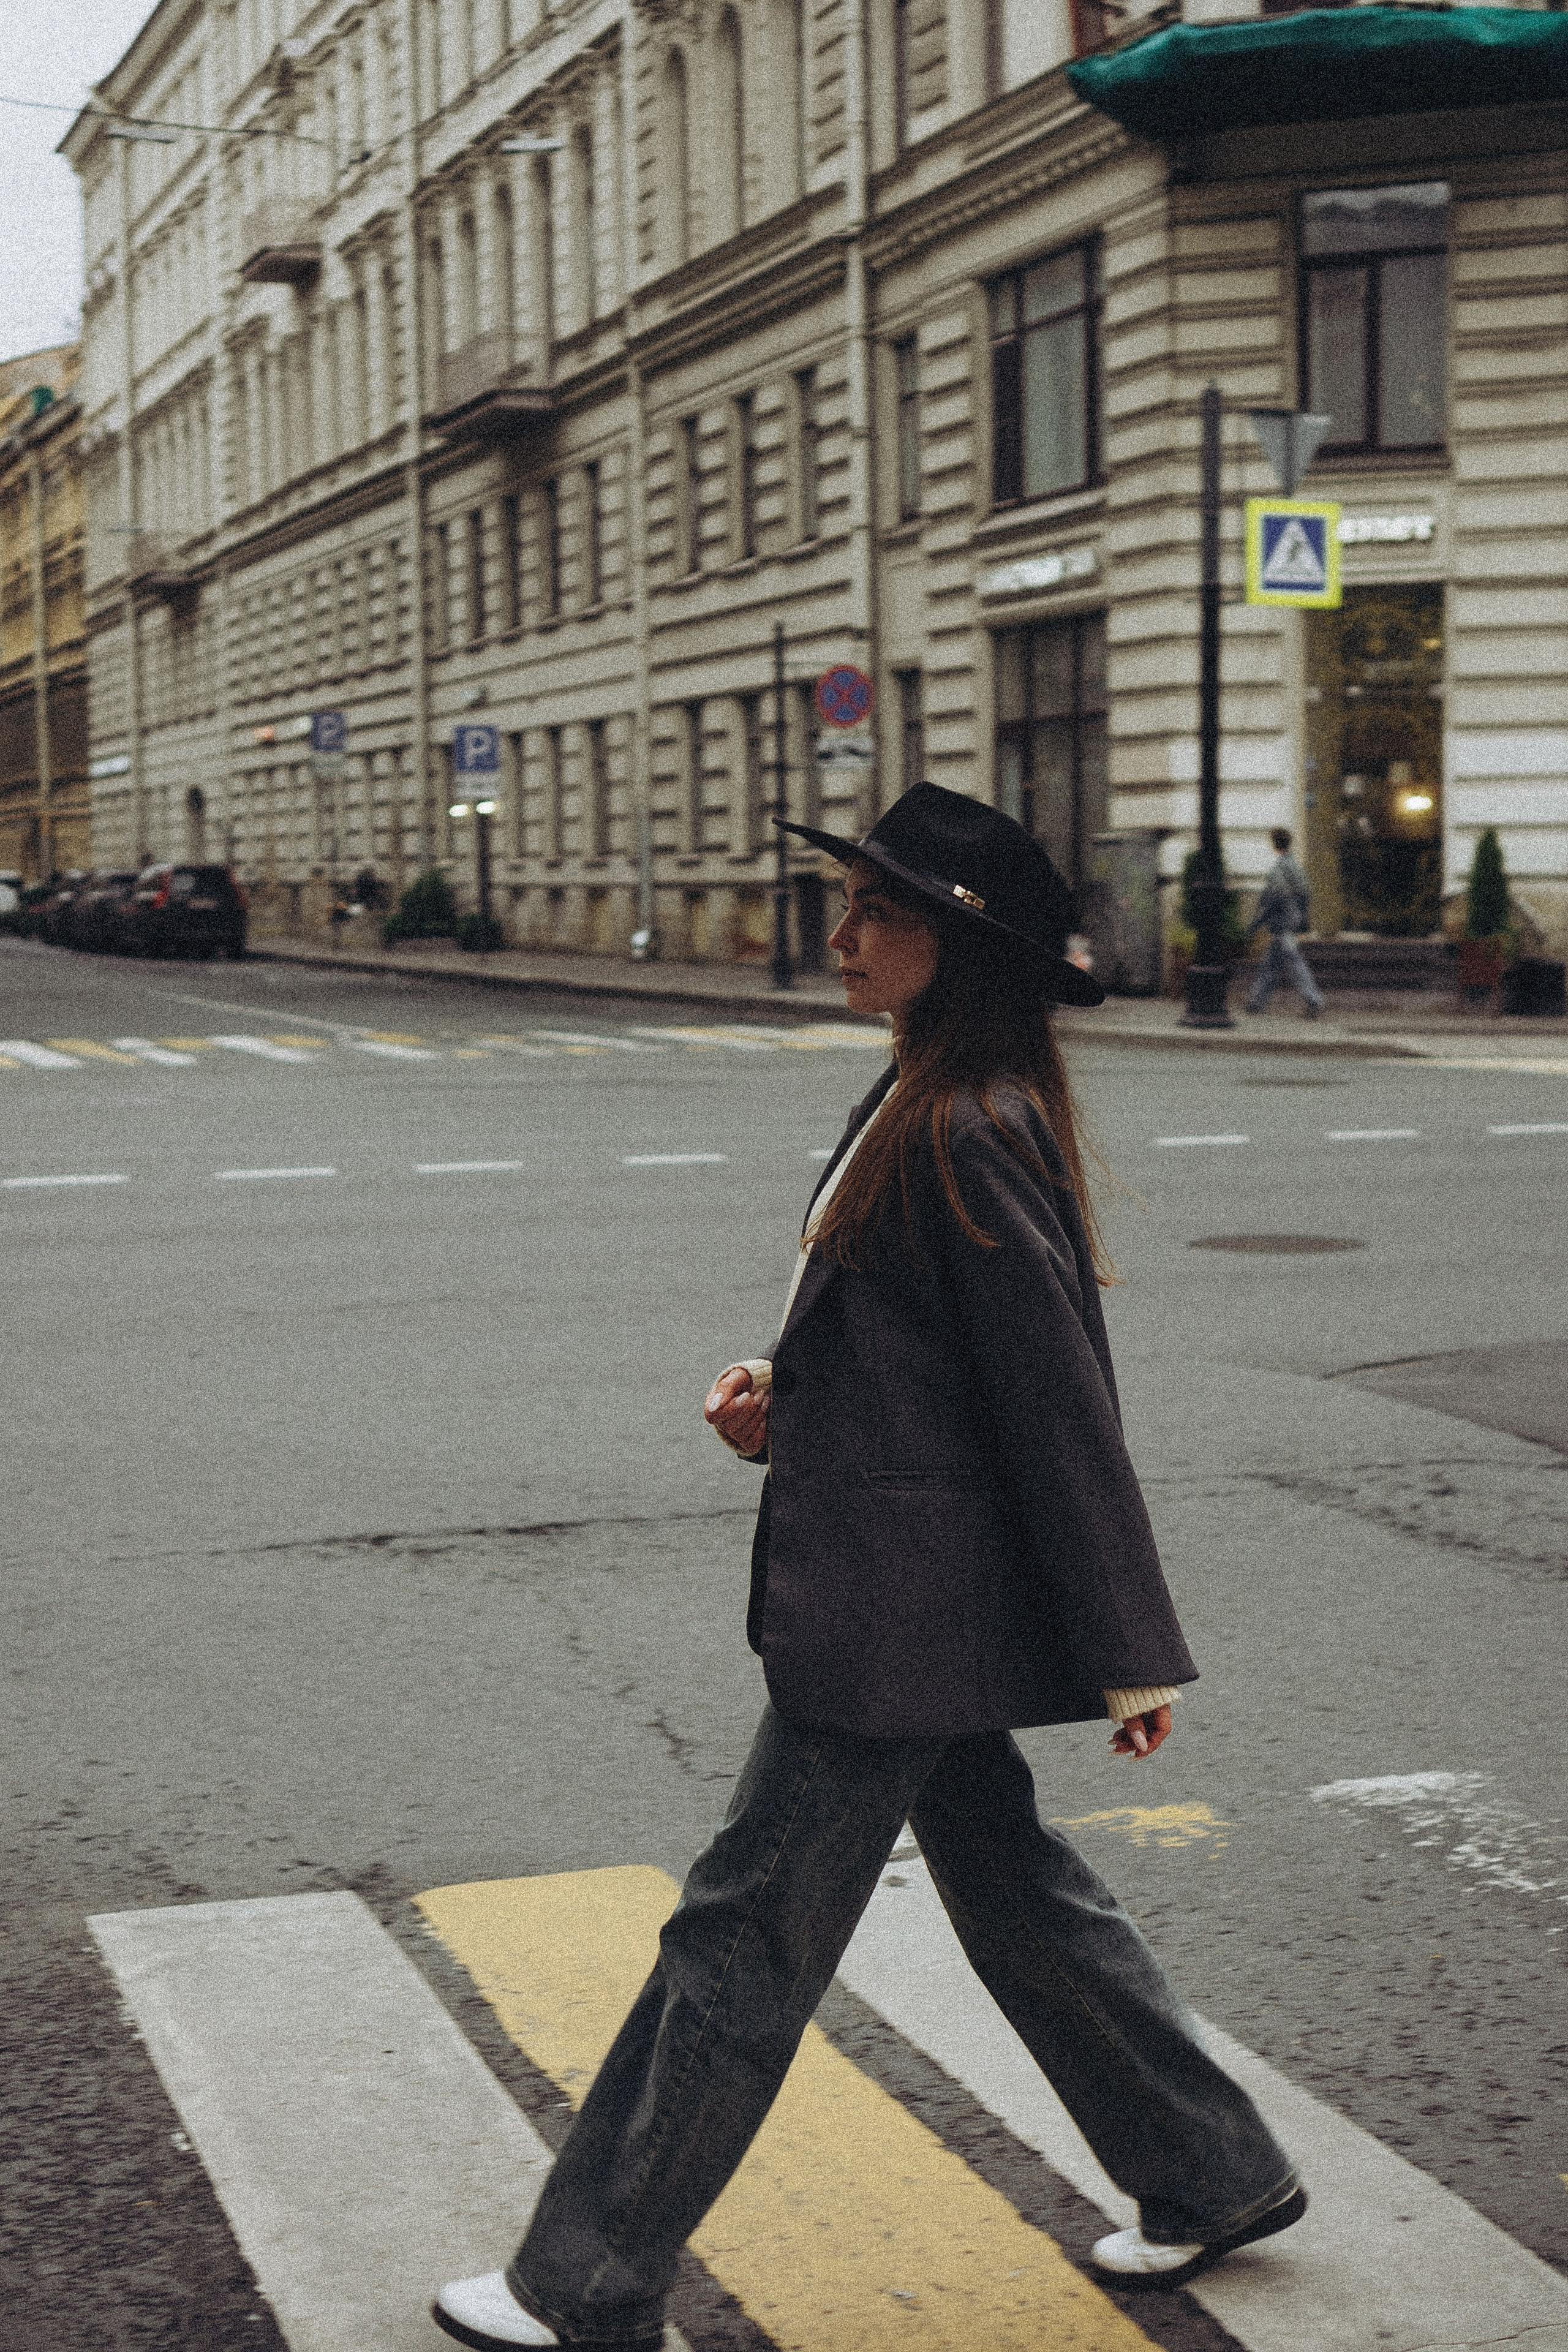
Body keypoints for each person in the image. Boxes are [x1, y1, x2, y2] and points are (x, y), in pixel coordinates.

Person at [434, 785, 1305, 2352]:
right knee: (1015, 1888)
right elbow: (926, 1360)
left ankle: (585, 2279)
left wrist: (1127, 1646)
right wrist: (791, 1390)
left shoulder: (967, 1127)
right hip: (917, 1593)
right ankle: (1208, 2169)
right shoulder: (912, 1093)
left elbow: (1055, 1402)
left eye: (875, 913)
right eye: (844, 904)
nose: (836, 935)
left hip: (898, 1615)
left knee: (740, 1929)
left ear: (957, 951)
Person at [1245, 827, 1325, 1018]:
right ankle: (1255, 1002)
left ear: (1274, 844)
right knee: (1270, 964)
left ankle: (1314, 1000)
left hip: (1282, 925)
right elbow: (1306, 894)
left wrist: (1255, 924)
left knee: (1294, 964)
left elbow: (1271, 898)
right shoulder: (1297, 867)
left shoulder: (1278, 869)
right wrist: (1303, 919)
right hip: (1292, 923)